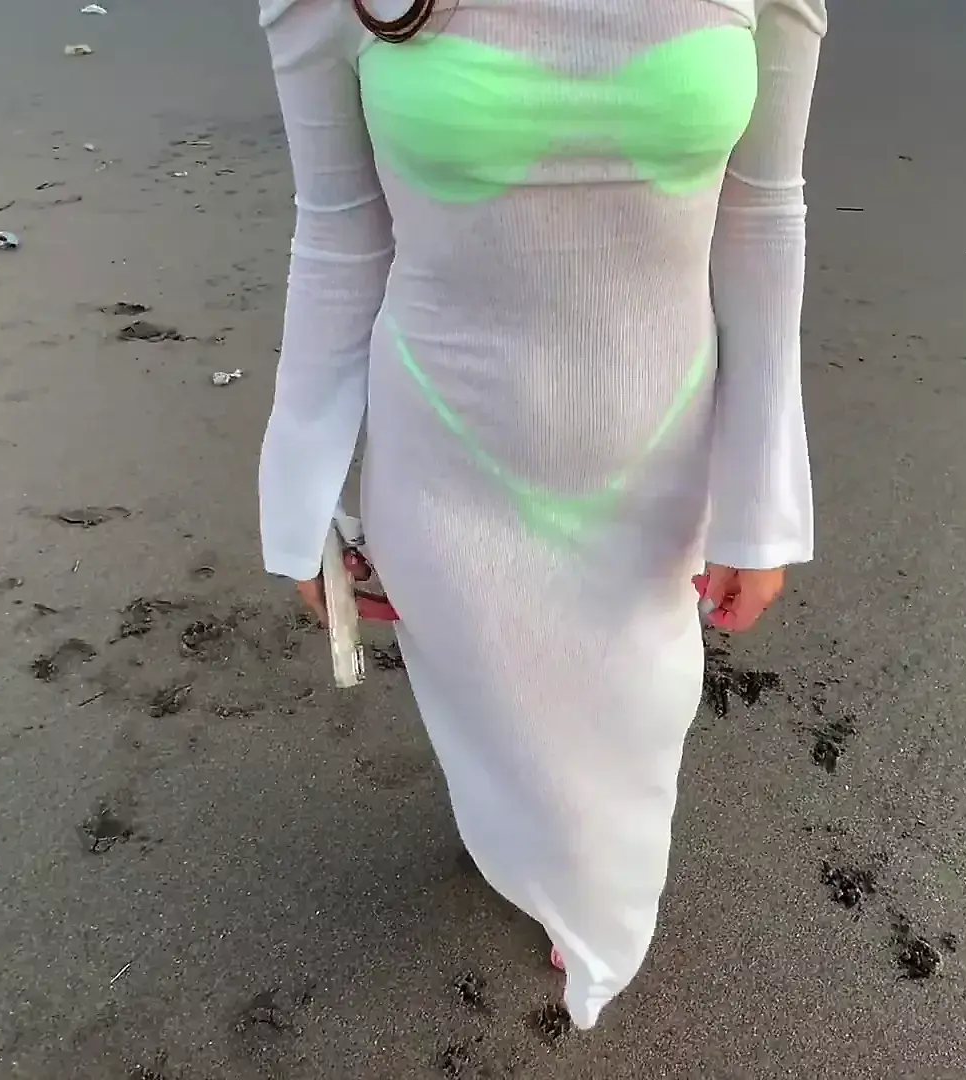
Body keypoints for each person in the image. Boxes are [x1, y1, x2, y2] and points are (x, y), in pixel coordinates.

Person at [255, 0, 824, 1029]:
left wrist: (762, 497)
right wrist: (298, 490)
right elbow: (337, 232)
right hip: (450, 459)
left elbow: (765, 212)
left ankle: (581, 899)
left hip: (659, 458)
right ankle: (527, 861)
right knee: (499, 719)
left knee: (639, 723)